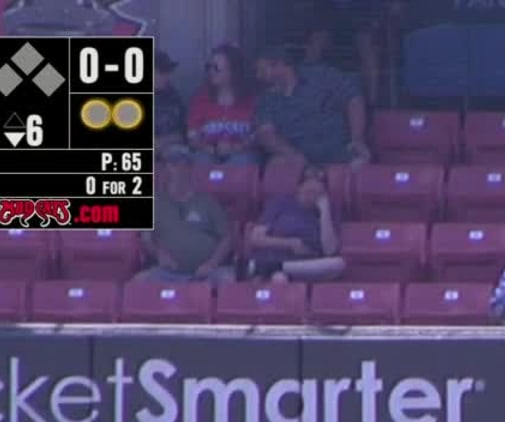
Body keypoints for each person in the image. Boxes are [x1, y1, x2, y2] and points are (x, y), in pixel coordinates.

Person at [132, 146, 236, 285]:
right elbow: (147, 239)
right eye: (172, 164)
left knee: (227, 281)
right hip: (168, 273)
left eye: (183, 164)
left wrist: (211, 264)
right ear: (163, 169)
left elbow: (227, 238)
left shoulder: (207, 201)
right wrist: (159, 254)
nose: (177, 170)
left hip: (207, 272)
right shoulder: (154, 202)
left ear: (190, 169)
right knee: (138, 283)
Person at [255, 44, 370, 167]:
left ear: (279, 65)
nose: (258, 76)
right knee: (276, 165)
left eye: (262, 70)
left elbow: (353, 100)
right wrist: (292, 154)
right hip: (298, 161)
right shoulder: (265, 99)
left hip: (338, 153)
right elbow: (266, 133)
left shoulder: (321, 75)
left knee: (360, 160)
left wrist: (357, 139)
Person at [246, 164, 346, 283]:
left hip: (309, 264)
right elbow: (256, 238)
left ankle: (273, 267)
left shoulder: (330, 210)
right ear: (299, 188)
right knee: (279, 279)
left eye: (318, 193)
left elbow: (330, 250)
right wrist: (290, 243)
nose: (312, 197)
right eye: (308, 192)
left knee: (338, 264)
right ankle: (275, 267)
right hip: (277, 256)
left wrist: (324, 211)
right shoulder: (280, 203)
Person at [188, 43, 259, 165]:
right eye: (209, 67)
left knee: (243, 161)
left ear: (233, 70)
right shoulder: (201, 99)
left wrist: (236, 148)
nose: (211, 72)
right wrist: (211, 149)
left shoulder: (251, 100)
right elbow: (192, 136)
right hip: (208, 152)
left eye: (216, 68)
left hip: (241, 153)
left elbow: (257, 135)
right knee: (201, 160)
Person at [154, 50, 187, 149]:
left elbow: (184, 133)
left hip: (175, 151)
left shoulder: (174, 96)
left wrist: (163, 142)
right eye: (162, 72)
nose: (167, 76)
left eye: (168, 72)